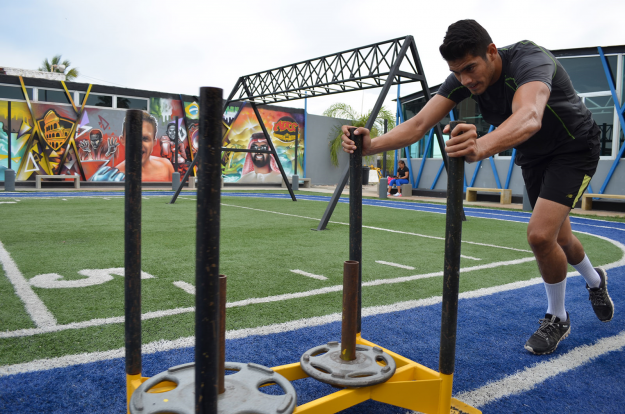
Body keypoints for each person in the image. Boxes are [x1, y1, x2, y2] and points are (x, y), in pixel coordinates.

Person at [341, 19, 613, 355]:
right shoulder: (461, 80)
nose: (467, 80)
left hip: (574, 148)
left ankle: (557, 316)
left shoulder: (530, 60)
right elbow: (419, 124)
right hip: (533, 155)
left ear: (492, 52)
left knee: (541, 235)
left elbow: (529, 115)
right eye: (458, 72)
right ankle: (596, 281)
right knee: (559, 237)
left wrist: (480, 147)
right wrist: (372, 145)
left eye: (471, 67)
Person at [116, 112, 174, 182]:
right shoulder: (117, 175)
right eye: (133, 138)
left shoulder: (166, 166)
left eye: (145, 138)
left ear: (154, 142)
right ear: (123, 140)